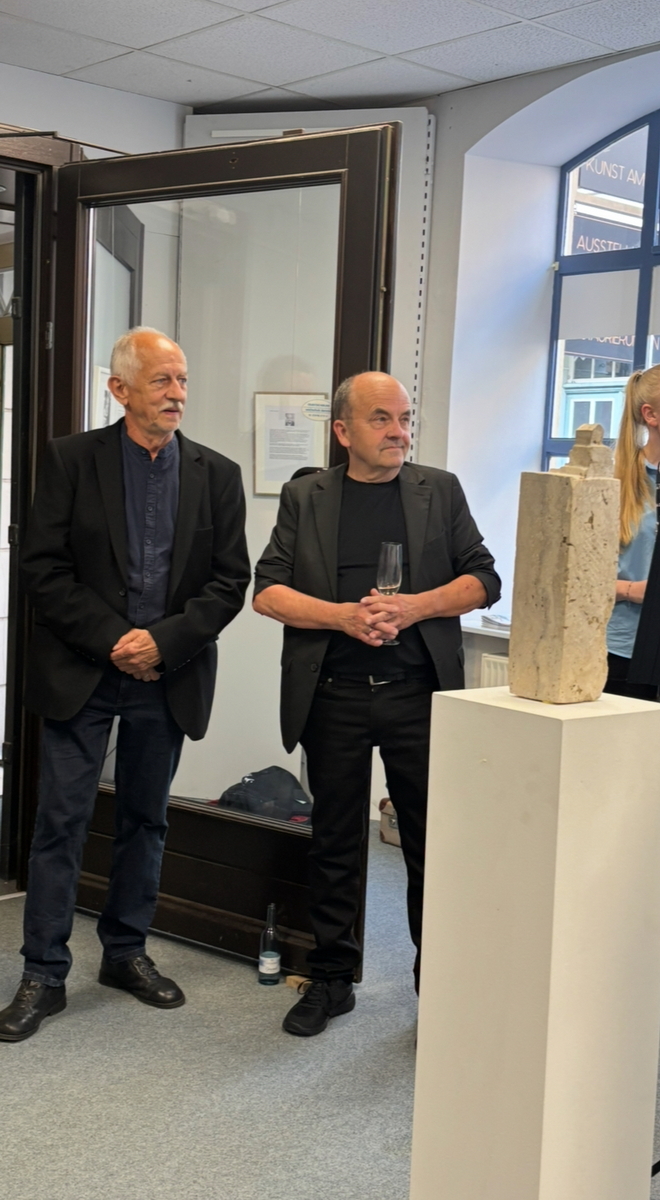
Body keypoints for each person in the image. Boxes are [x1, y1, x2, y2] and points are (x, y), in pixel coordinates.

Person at [0, 327, 250, 1042]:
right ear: (119, 389)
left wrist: (161, 643)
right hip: (84, 671)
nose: (177, 394)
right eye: (162, 380)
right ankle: (43, 974)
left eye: (183, 380)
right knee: (61, 822)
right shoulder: (71, 460)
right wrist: (115, 639)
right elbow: (43, 568)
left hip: (165, 677)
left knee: (146, 819)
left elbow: (229, 581)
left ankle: (125, 953)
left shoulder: (216, 474)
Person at [253, 371, 500, 1037]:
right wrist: (342, 617)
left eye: (405, 418)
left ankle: (436, 990)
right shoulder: (306, 496)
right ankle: (332, 979)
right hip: (332, 694)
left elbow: (485, 578)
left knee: (428, 844)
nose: (399, 432)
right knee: (335, 842)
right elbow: (267, 592)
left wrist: (416, 607)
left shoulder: (438, 491)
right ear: (343, 431)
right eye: (382, 419)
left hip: (417, 695)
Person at [604, 365, 660, 702]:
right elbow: (574, 578)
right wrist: (632, 590)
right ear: (651, 415)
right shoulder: (611, 484)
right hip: (625, 651)